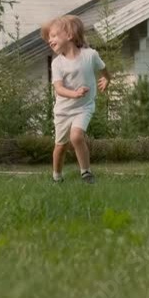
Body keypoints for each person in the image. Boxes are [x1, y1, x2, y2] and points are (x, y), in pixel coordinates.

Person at [41, 15, 110, 183]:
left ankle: (86, 173)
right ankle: (57, 177)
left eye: (54, 35)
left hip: (84, 107)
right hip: (63, 111)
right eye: (49, 37)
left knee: (77, 137)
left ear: (70, 35)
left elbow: (103, 68)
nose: (50, 40)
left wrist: (107, 79)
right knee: (60, 146)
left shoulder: (90, 55)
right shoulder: (57, 63)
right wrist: (75, 94)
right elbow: (58, 88)